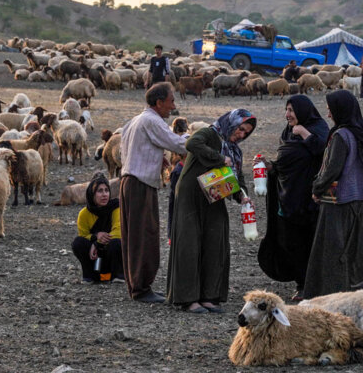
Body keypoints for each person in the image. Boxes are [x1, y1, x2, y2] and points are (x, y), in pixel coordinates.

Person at [167, 109, 256, 314]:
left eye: (246, 133)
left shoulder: (234, 150)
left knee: (215, 242)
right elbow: (191, 144)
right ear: (232, 123)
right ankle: (188, 299)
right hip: (192, 194)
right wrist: (217, 157)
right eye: (241, 129)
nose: (241, 134)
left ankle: (209, 296)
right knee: (190, 244)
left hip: (214, 196)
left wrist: (242, 195)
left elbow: (236, 176)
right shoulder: (210, 133)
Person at [256, 95, 329, 301]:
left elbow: (323, 152)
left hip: (310, 198)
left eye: (291, 110)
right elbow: (284, 165)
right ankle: (300, 280)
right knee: (291, 241)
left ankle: (310, 284)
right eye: (286, 110)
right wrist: (269, 165)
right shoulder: (287, 132)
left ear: (303, 110)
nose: (287, 115)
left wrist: (305, 133)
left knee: (309, 240)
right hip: (288, 196)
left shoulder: (318, 128)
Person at [119, 82, 188, 303]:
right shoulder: (153, 121)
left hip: (129, 181)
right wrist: (202, 139)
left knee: (133, 236)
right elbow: (179, 144)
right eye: (171, 101)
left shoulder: (136, 120)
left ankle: (136, 285)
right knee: (144, 235)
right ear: (159, 103)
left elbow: (130, 150)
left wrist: (157, 158)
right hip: (141, 184)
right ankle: (141, 288)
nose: (173, 106)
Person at [304, 90, 363, 299]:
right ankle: (357, 295)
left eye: (330, 110)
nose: (328, 115)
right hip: (359, 202)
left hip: (338, 203)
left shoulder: (340, 136)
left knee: (332, 252)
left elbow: (332, 169)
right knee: (355, 252)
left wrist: (317, 188)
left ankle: (331, 296)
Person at [71, 173, 124, 284]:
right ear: (92, 194)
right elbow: (83, 235)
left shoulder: (116, 207)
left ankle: (117, 275)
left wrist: (97, 243)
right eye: (100, 191)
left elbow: (119, 231)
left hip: (111, 254)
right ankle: (90, 276)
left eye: (106, 190)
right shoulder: (84, 214)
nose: (104, 195)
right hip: (95, 257)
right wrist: (95, 236)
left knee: (116, 243)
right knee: (78, 243)